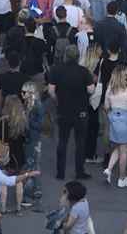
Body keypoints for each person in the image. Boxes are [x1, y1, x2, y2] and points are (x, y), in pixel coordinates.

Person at [47, 45, 95, 180]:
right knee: (80, 143)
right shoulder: (84, 72)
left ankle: (60, 172)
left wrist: (58, 100)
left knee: (62, 140)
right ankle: (80, 171)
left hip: (63, 110)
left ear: (65, 56)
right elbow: (91, 90)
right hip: (81, 111)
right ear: (78, 57)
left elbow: (51, 90)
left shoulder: (56, 70)